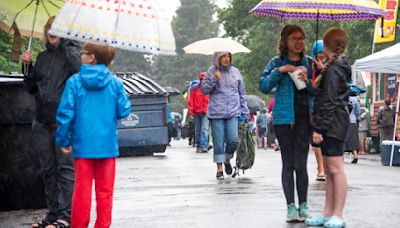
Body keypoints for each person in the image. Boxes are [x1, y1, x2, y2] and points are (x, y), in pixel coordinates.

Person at [56, 43, 131, 228]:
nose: (81, 55)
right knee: (105, 192)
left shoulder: (74, 82)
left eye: (84, 53)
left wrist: (64, 139)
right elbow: (124, 110)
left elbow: (66, 113)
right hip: (106, 146)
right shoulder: (115, 83)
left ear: (92, 57)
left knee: (81, 191)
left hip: (82, 146)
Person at [22, 16, 80, 228]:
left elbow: (80, 70)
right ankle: (53, 214)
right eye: (49, 28)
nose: (52, 31)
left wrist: (67, 44)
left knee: (65, 170)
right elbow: (32, 88)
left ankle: (66, 216)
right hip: (42, 120)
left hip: (64, 121)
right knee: (48, 170)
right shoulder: (43, 57)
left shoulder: (72, 54)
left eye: (57, 28)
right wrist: (26, 68)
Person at [259, 24, 313, 222]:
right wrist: (280, 71)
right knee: (288, 163)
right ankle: (291, 206)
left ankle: (304, 204)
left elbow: (316, 92)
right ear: (285, 41)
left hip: (304, 119)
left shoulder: (308, 62)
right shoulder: (276, 62)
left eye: (301, 38)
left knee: (302, 163)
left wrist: (308, 81)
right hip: (283, 119)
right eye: (294, 38)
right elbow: (263, 85)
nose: (299, 42)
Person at [306, 28, 351, 228]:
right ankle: (328, 212)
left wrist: (319, 129)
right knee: (331, 171)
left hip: (332, 124)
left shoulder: (334, 70)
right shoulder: (334, 68)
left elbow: (330, 101)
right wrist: (323, 70)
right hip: (334, 122)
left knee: (335, 169)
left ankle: (338, 214)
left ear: (327, 46)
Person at [201, 51, 249, 179]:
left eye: (228, 56)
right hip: (216, 113)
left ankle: (227, 159)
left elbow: (242, 93)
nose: (226, 59)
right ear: (217, 58)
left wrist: (245, 112)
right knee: (218, 141)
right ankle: (219, 168)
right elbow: (204, 90)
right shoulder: (212, 71)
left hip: (233, 112)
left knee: (233, 140)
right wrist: (214, 79)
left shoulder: (236, 72)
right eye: (223, 57)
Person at [311, 40, 326, 181]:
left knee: (327, 140)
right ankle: (320, 168)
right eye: (319, 53)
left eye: (323, 52)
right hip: (314, 106)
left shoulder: (332, 66)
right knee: (316, 140)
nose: (321, 55)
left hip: (328, 107)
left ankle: (324, 166)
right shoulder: (310, 67)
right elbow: (311, 86)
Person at [188, 72, 210, 153]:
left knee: (204, 129)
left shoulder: (209, 89)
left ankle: (204, 146)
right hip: (197, 112)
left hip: (206, 112)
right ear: (200, 80)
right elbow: (191, 100)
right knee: (197, 130)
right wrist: (191, 112)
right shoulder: (195, 88)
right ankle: (198, 145)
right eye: (202, 79)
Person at [345, 96, 361, 163]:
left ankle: (341, 157)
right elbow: (358, 111)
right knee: (353, 139)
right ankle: (355, 155)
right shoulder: (354, 100)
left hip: (343, 121)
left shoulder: (340, 97)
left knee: (343, 139)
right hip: (353, 121)